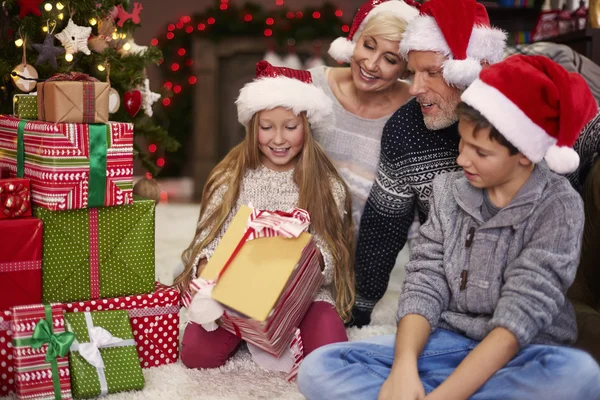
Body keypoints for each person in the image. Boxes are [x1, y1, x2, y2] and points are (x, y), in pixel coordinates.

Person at [297, 54, 600, 400]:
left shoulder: (558, 205)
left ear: (525, 155)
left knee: (581, 375)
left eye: (480, 152)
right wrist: (404, 367)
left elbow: (520, 317)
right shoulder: (447, 191)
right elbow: (425, 281)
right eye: (462, 142)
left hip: (521, 351)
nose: (461, 159)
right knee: (319, 367)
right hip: (448, 345)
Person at [172, 61, 355, 371]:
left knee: (331, 354)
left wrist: (307, 265)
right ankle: (253, 333)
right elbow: (209, 238)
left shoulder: (327, 185)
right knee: (196, 355)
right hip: (237, 294)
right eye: (267, 127)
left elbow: (330, 249)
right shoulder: (231, 177)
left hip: (302, 297)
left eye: (291, 127)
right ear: (252, 127)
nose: (279, 139)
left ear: (307, 126)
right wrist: (206, 266)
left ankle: (283, 331)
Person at [350, 0, 508, 326]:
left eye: (432, 73)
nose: (415, 89)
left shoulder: (520, 114)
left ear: (468, 70)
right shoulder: (405, 128)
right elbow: (383, 226)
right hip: (446, 295)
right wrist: (358, 312)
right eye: (413, 73)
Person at [309, 0, 419, 235]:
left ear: (406, 69)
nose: (371, 64)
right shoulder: (313, 86)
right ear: (355, 41)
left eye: (390, 59)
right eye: (368, 46)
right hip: (302, 246)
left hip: (379, 260)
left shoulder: (414, 114)